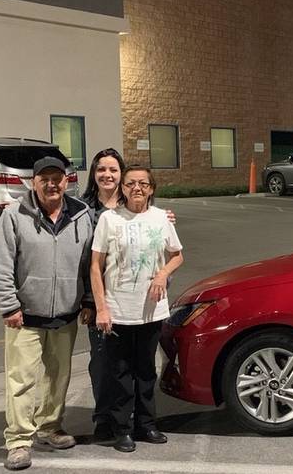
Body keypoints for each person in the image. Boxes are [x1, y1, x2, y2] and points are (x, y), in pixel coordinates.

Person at [0, 157, 94, 471]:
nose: (52, 184)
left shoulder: (81, 215)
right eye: (44, 179)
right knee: (21, 380)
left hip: (66, 314)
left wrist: (87, 300)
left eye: (57, 178)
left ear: (67, 180)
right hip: (25, 316)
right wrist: (8, 305)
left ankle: (49, 427)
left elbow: (89, 264)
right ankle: (19, 441)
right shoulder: (14, 215)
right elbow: (0, 265)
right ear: (33, 182)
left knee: (58, 377)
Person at [90, 166, 183, 452]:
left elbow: (177, 255)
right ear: (123, 188)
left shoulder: (160, 218)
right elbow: (96, 266)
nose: (137, 188)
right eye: (130, 183)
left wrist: (161, 274)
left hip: (151, 310)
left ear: (151, 188)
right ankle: (122, 429)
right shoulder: (109, 219)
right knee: (119, 372)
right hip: (118, 309)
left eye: (143, 183)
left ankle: (147, 424)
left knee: (146, 370)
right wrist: (101, 309)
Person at [79, 148, 126, 444]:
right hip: (96, 299)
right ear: (94, 174)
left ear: (121, 174)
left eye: (113, 169)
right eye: (101, 169)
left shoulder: (135, 207)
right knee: (101, 361)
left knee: (129, 361)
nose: (107, 175)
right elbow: (80, 259)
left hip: (129, 297)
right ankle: (104, 418)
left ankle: (129, 415)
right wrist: (87, 301)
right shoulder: (81, 209)